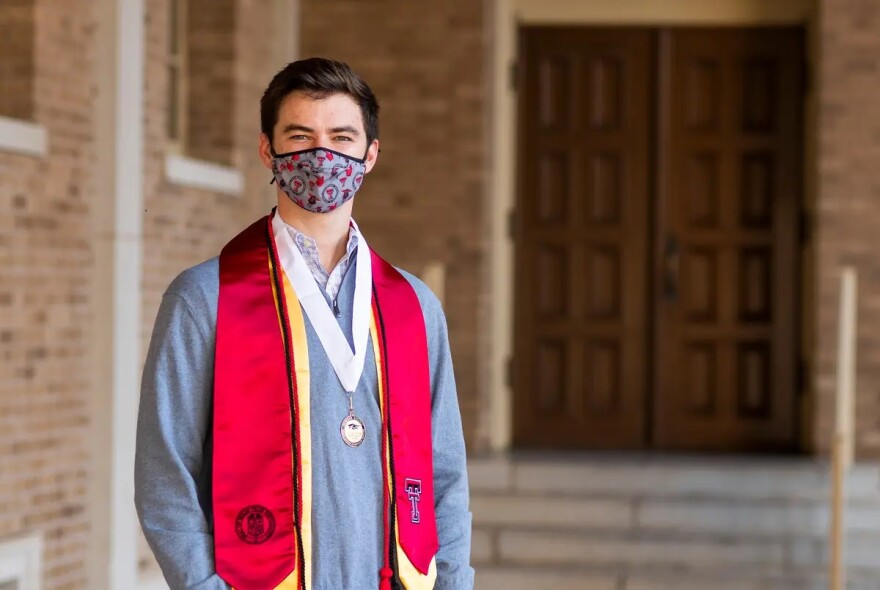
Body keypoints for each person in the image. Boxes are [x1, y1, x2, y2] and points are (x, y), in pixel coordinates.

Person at [135, 57, 474, 590]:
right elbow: (165, 475)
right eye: (300, 136)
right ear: (268, 149)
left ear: (370, 155)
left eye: (342, 138)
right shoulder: (204, 300)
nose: (322, 156)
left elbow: (444, 478)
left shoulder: (415, 308)